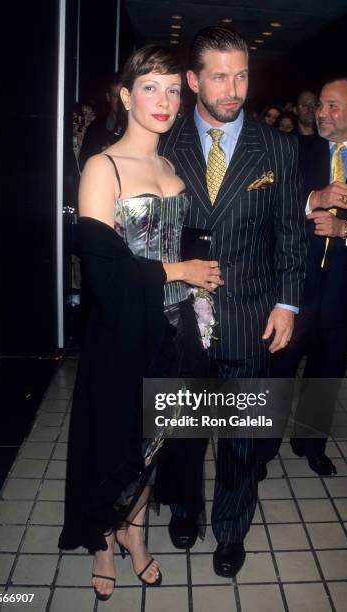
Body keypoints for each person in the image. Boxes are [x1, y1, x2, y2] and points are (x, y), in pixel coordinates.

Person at [58, 44, 223, 600]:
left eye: (174, 88)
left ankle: (136, 533)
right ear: (127, 96)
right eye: (151, 87)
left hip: (174, 333)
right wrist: (184, 268)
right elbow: (104, 271)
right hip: (121, 337)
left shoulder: (172, 165)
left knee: (156, 440)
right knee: (116, 441)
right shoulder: (100, 168)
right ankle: (105, 542)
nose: (165, 99)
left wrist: (202, 287)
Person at [161, 25, 307, 578]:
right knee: (183, 423)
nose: (233, 89)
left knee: (243, 435)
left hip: (252, 311)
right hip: (181, 317)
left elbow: (291, 232)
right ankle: (183, 506)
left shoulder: (276, 146)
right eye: (219, 76)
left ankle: (230, 528)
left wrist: (288, 304)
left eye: (242, 74)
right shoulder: (165, 142)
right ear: (193, 79)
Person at [270, 75, 347, 475]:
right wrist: (312, 200)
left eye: (332, 105)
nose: (321, 113)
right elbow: (272, 206)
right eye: (320, 105)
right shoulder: (298, 150)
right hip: (294, 285)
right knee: (279, 368)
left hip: (346, 287)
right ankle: (260, 448)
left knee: (328, 370)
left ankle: (310, 442)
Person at [79, 74, 126, 170]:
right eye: (116, 96)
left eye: (123, 95)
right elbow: (83, 163)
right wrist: (102, 157)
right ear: (108, 97)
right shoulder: (95, 128)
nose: (120, 101)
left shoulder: (137, 126)